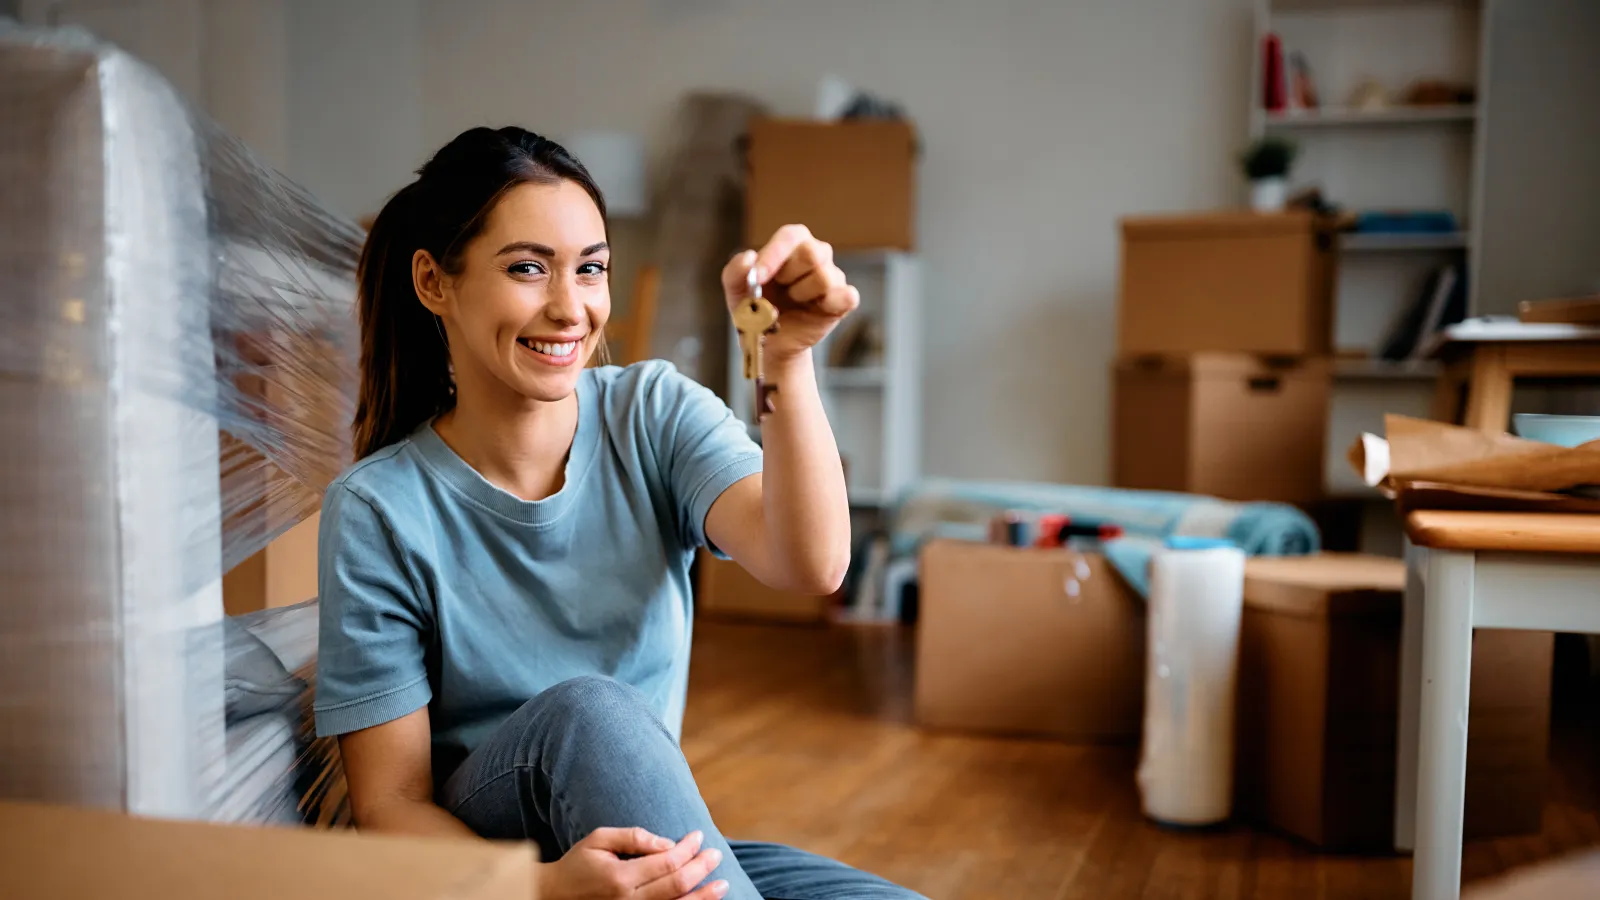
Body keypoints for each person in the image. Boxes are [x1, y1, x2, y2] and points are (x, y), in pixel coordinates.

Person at [312, 126, 926, 900]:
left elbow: (810, 562)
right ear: (434, 283)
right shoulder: (379, 509)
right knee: (590, 713)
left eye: (591, 269)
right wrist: (541, 889)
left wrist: (788, 361)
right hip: (499, 859)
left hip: (647, 833)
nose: (571, 309)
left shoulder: (653, 412)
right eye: (528, 269)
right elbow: (391, 805)